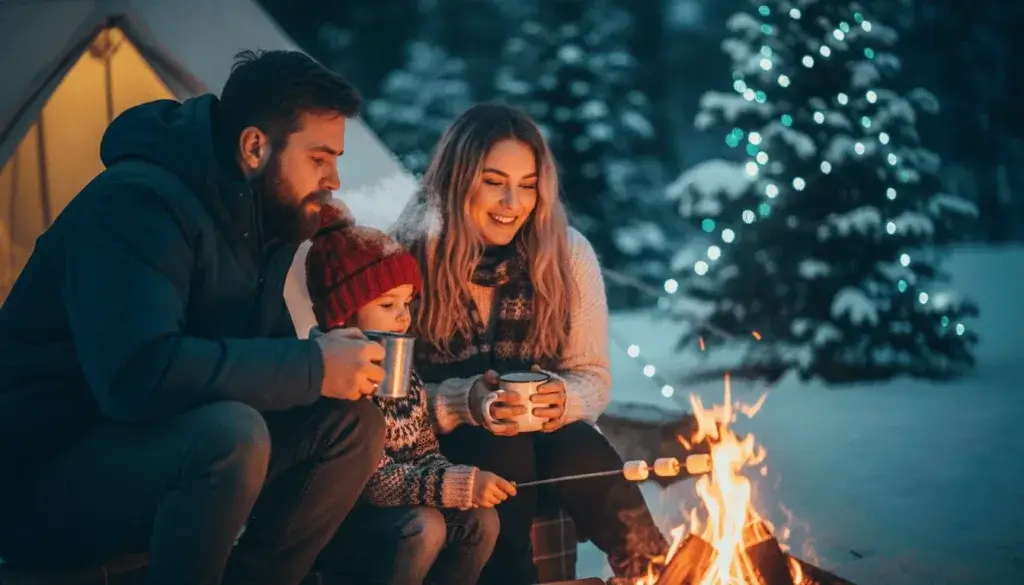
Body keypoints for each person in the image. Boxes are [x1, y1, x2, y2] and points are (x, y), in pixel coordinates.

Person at [0, 50, 388, 585]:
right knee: (231, 433)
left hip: (147, 449)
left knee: (350, 423)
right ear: (255, 147)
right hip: (42, 481)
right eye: (320, 158)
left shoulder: (261, 223)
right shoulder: (137, 204)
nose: (335, 179)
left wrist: (333, 364)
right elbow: (138, 375)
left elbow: (260, 357)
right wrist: (312, 366)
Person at [392, 103, 670, 585]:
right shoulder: (406, 256)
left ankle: (651, 567)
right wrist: (464, 402)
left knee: (579, 441)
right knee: (501, 443)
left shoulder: (565, 253)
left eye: (527, 185)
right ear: (457, 180)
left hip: (545, 446)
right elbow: (384, 397)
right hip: (434, 450)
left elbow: (592, 377)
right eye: (494, 181)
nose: (512, 202)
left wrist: (559, 399)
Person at [303, 204, 513, 585]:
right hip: (341, 527)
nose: (403, 317)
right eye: (387, 305)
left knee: (480, 519)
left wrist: (465, 481)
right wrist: (457, 486)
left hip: (395, 510)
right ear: (344, 315)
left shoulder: (404, 380)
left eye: (406, 303)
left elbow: (423, 453)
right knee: (425, 525)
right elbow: (372, 482)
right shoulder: (329, 382)